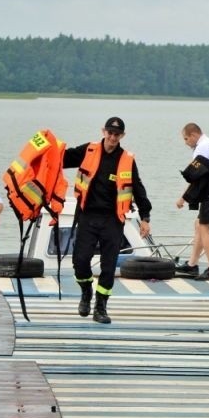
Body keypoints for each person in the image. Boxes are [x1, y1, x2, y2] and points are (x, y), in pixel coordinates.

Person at [63, 117, 152, 324]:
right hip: (87, 216)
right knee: (80, 261)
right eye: (109, 133)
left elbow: (138, 189)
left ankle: (101, 306)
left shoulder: (127, 159)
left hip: (112, 219)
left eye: (117, 134)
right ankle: (86, 292)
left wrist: (145, 217)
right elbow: (62, 159)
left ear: (122, 136)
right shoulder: (89, 150)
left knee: (108, 266)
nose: (112, 137)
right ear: (103, 131)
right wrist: (45, 150)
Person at [175, 122, 209, 280]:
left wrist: (183, 198)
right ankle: (192, 265)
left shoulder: (200, 148)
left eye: (186, 139)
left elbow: (196, 176)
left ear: (194, 135)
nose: (185, 143)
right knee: (199, 224)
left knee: (204, 227)